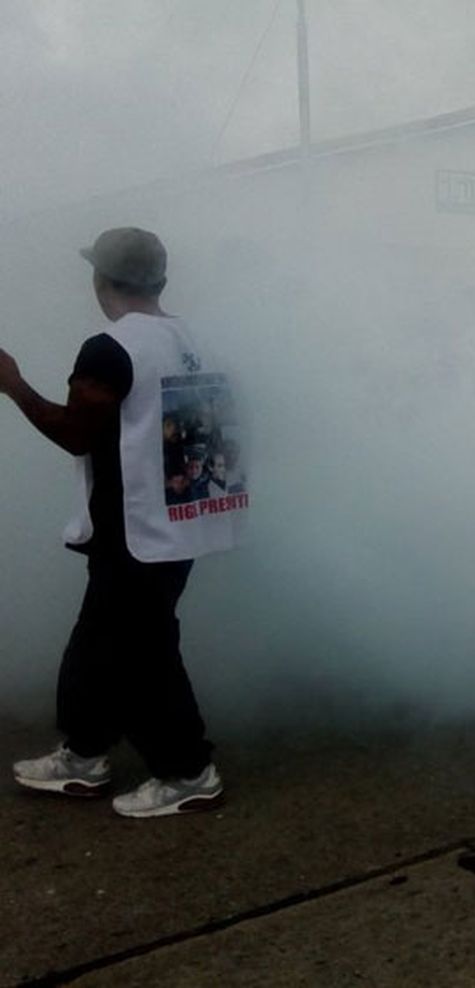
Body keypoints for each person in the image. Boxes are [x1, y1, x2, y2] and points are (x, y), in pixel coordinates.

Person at [0, 227, 246, 819]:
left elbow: (76, 434)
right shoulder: (197, 338)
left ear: (100, 280)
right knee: (98, 642)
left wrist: (12, 383)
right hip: (182, 519)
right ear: (159, 280)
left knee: (145, 654)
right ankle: (83, 755)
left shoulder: (111, 349)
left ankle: (189, 772)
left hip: (138, 530)